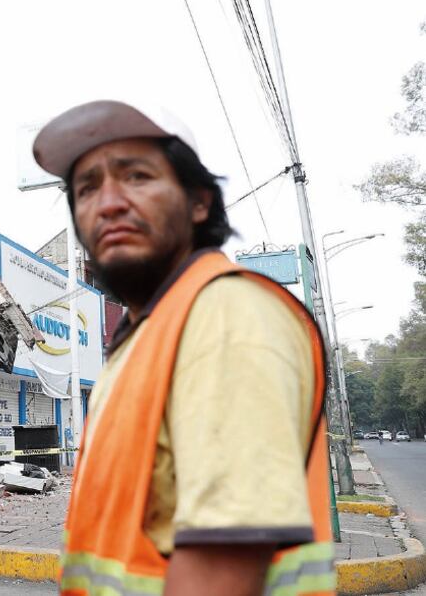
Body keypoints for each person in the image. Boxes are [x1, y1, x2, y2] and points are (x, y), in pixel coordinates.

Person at [33, 99, 335, 596]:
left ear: (198, 202)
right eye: (87, 188)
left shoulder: (224, 314)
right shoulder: (147, 334)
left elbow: (223, 565)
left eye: (137, 177)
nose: (108, 203)